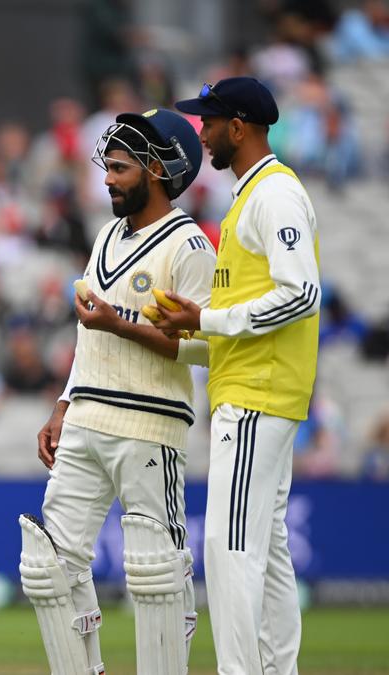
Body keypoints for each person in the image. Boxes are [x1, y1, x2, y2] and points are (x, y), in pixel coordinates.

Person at [20, 109, 214, 675]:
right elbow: (89, 330)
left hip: (150, 425)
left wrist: (119, 326)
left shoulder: (190, 246)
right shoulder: (105, 233)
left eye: (121, 168)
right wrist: (63, 403)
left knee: (155, 570)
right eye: (107, 166)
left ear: (157, 170)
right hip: (85, 419)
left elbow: (207, 346)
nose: (107, 178)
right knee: (50, 565)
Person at [159, 77, 320, 675]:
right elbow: (240, 320)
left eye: (209, 121)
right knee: (268, 549)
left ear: (239, 127)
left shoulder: (273, 195)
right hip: (255, 388)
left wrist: (205, 316)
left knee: (229, 551)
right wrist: (181, 337)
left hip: (258, 395)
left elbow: (300, 294)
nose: (200, 131)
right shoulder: (250, 198)